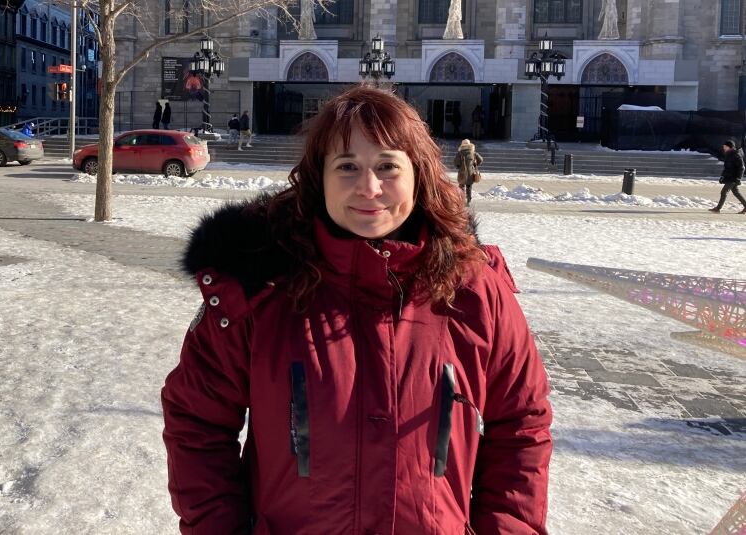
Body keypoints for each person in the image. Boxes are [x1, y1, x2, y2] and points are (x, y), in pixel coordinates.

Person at [162, 86, 552, 534]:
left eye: (388, 166)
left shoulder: (475, 290)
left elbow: (522, 425)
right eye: (347, 166)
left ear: (418, 174)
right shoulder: (257, 290)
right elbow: (197, 422)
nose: (369, 188)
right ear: (318, 177)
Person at [709, 140, 746, 214]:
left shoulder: (736, 155)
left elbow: (742, 167)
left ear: (730, 147)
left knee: (724, 192)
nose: (724, 148)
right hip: (730, 177)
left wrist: (738, 178)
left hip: (733, 178)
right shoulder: (729, 154)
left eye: (725, 147)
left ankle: (718, 208)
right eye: (723, 147)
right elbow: (727, 168)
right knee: (736, 192)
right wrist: (722, 176)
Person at [454, 138, 483, 206]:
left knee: (461, 186)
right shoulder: (473, 153)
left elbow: (456, 162)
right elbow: (481, 159)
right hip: (470, 173)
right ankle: (468, 201)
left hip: (462, 172)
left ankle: (461, 200)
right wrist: (475, 164)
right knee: (469, 187)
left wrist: (459, 167)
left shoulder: (460, 153)